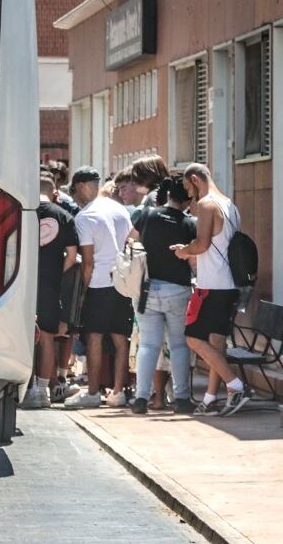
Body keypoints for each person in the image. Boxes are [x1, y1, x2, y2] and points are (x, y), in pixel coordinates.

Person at [173, 163, 249, 416]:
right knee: (216, 344)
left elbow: (202, 244)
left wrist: (184, 251)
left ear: (195, 179)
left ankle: (236, 385)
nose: (189, 195)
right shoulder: (230, 205)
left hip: (211, 285)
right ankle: (210, 399)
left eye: (187, 187)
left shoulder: (207, 205)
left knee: (193, 338)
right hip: (228, 285)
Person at [63, 167, 133, 409]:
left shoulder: (85, 217)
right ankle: (118, 392)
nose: (75, 198)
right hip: (123, 283)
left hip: (99, 283)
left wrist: (82, 291)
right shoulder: (120, 209)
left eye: (74, 192)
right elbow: (132, 242)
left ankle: (92, 392)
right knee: (120, 338)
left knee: (94, 336)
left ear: (82, 186)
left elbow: (88, 261)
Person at [132, 176, 197, 414]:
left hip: (147, 289)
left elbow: (130, 240)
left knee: (148, 345)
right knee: (178, 345)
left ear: (168, 195)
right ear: (188, 198)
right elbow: (194, 258)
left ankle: (140, 398)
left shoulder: (147, 215)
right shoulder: (190, 223)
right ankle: (181, 398)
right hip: (177, 289)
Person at [23, 174, 79, 409]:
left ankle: (23, 387)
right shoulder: (63, 215)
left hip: (20, 283)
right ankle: (41, 390)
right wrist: (58, 272)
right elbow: (72, 254)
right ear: (54, 192)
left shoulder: (22, 210)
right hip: (49, 284)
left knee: (21, 336)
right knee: (46, 336)